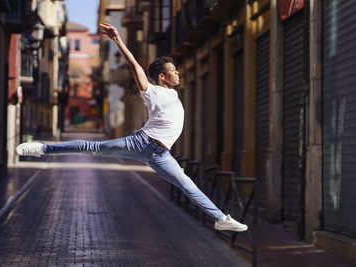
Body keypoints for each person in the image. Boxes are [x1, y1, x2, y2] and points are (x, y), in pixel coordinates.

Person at [16, 23, 248, 232]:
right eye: (173, 70)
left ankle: (220, 218)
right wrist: (117, 40)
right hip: (142, 142)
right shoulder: (152, 92)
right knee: (91, 147)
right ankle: (41, 149)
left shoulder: (172, 92)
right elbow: (135, 65)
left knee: (189, 186)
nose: (177, 72)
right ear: (161, 76)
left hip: (161, 155)